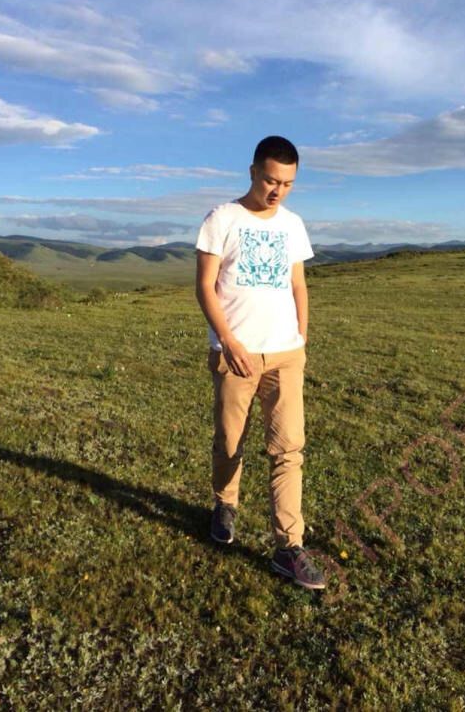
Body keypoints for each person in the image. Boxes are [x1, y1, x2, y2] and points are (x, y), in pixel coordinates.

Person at [195, 136, 326, 591]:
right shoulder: (222, 218)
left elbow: (298, 285)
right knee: (230, 441)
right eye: (271, 180)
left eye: (287, 183)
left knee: (288, 449)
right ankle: (225, 503)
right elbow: (205, 286)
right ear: (253, 172)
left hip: (285, 355)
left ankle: (289, 547)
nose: (277, 191)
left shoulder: (293, 224)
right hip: (237, 354)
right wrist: (228, 342)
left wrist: (300, 339)